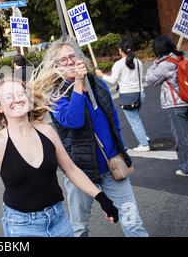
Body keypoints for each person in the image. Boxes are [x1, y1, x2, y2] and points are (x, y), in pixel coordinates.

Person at [0, 78, 120, 237]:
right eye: (8, 97)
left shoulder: (47, 132)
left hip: (59, 219)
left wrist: (101, 197)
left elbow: (70, 169)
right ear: (0, 107)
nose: (17, 99)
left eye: (20, 94)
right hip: (22, 227)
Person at [40, 40, 148, 237]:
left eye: (73, 56)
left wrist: (119, 149)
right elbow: (73, 120)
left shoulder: (97, 83)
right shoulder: (55, 94)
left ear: (81, 58)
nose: (69, 62)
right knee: (79, 227)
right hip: (80, 171)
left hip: (112, 165)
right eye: (63, 60)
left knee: (133, 221)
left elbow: (113, 119)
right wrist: (79, 83)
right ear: (55, 66)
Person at [146, 35, 188, 177]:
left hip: (176, 104)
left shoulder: (164, 65)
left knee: (180, 137)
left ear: (158, 49)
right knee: (183, 133)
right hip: (187, 101)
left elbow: (150, 80)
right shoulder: (179, 58)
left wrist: (154, 64)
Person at [95, 37, 150, 152]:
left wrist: (101, 75)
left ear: (120, 50)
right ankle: (143, 136)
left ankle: (144, 144)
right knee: (136, 118)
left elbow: (113, 80)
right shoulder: (138, 62)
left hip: (128, 97)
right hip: (140, 94)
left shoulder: (119, 64)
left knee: (134, 120)